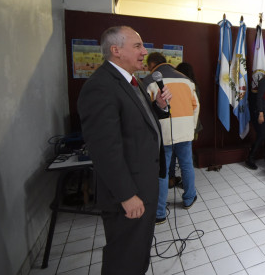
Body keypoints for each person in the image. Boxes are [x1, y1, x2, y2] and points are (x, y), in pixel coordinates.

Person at [77, 26, 172, 274]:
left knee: (137, 253)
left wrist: (159, 108)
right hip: (129, 193)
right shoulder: (101, 86)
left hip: (144, 184)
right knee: (124, 259)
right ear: (116, 50)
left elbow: (138, 123)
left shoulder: (132, 81)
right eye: (137, 46)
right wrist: (126, 195)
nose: (145, 51)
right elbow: (104, 149)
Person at [145, 52, 200, 225]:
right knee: (186, 165)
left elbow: (146, 111)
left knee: (162, 171)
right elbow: (196, 105)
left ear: (152, 65)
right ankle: (189, 199)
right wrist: (190, 127)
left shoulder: (147, 81)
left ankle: (160, 213)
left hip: (163, 133)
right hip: (185, 130)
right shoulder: (186, 80)